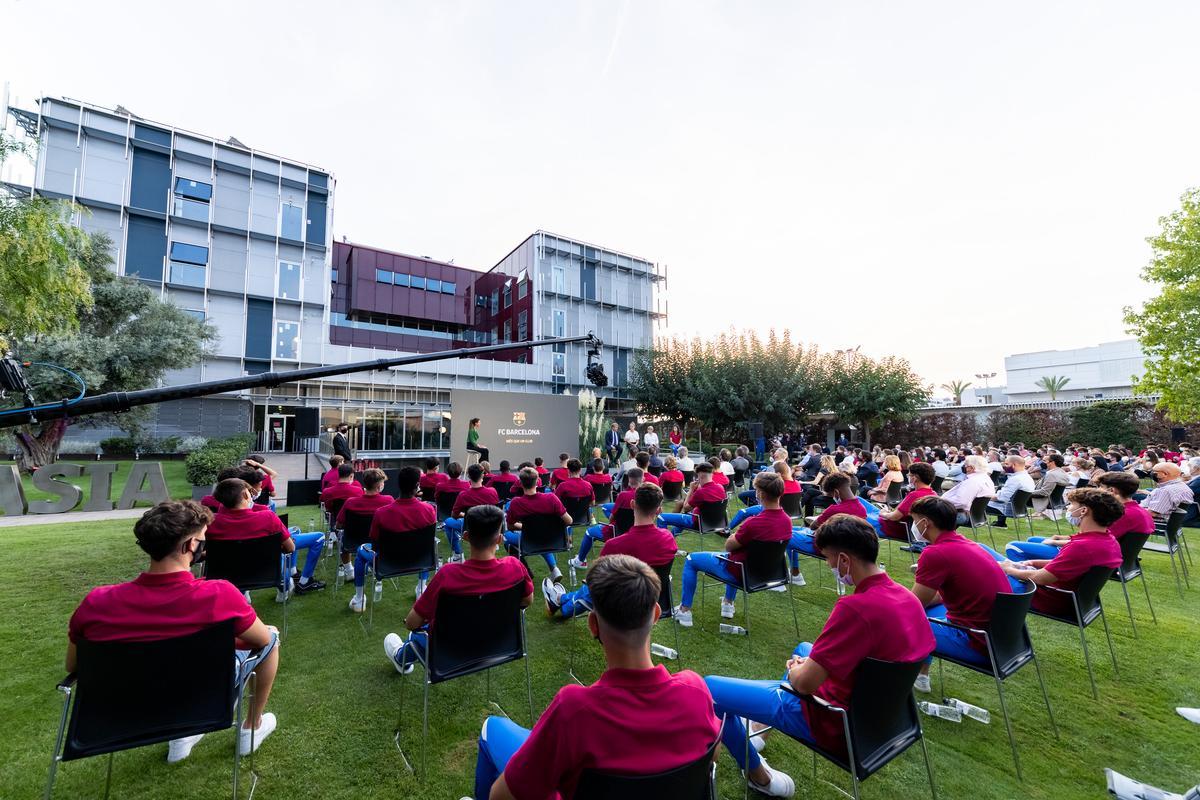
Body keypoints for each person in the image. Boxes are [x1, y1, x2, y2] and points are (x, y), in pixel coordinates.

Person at [704, 514, 935, 797]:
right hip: (889, 717)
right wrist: (806, 665)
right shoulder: (907, 597)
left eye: (828, 559)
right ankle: (762, 728)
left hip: (834, 720)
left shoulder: (856, 608)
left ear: (844, 560)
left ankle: (758, 775)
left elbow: (804, 685)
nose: (829, 566)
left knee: (710, 688)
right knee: (804, 648)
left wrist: (796, 671)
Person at [471, 554, 720, 800]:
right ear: (655, 614)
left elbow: (503, 795)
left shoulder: (574, 711)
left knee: (491, 729)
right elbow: (712, 753)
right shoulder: (695, 690)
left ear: (593, 625)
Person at [66, 501, 281, 762]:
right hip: (197, 703)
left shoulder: (97, 602)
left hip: (119, 715)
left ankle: (183, 737)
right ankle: (252, 727)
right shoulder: (219, 595)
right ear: (191, 545)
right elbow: (262, 640)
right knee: (272, 635)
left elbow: (73, 666)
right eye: (203, 538)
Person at [384, 504, 532, 674]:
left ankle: (399, 657)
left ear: (466, 537)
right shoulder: (515, 567)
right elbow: (527, 600)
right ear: (499, 539)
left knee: (416, 637)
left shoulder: (448, 575)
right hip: (498, 645)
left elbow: (411, 623)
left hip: (450, 652)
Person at [907, 496, 1015, 691]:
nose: (913, 526)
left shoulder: (936, 553)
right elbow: (936, 597)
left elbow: (912, 605)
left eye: (914, 521)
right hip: (1002, 641)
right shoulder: (969, 545)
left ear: (925, 523)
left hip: (977, 642)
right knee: (924, 612)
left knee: (900, 622)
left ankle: (884, 683)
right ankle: (921, 675)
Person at [673, 472, 793, 627]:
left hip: (743, 572)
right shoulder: (787, 521)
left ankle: (684, 610)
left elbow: (729, 545)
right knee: (737, 555)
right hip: (768, 574)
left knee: (692, 559)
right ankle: (728, 603)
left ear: (761, 494)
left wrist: (739, 533)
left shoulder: (753, 523)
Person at [545, 483, 677, 618]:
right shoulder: (669, 538)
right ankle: (560, 599)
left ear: (632, 504)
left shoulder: (615, 545)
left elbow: (595, 582)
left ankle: (561, 601)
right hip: (655, 602)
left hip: (620, 606)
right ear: (659, 510)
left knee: (595, 586)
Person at [996, 487, 1123, 616]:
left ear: (1083, 511)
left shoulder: (1082, 547)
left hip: (1040, 597)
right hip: (1068, 600)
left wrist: (1009, 570)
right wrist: (1033, 563)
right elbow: (1071, 565)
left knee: (982, 562)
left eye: (1071, 504)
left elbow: (1040, 578)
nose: (1068, 508)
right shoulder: (1110, 541)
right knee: (984, 554)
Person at [208, 477, 326, 598]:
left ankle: (243, 594)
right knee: (284, 552)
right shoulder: (267, 517)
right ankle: (289, 586)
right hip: (265, 572)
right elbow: (290, 548)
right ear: (244, 494)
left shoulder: (210, 522)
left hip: (227, 574)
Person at [349, 466, 438, 613]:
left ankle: (359, 599)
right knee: (425, 547)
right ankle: (421, 589)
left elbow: (375, 542)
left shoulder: (382, 513)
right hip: (420, 560)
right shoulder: (429, 510)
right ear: (417, 486)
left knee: (361, 551)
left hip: (388, 562)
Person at [786, 472, 867, 581]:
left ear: (836, 492)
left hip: (825, 546)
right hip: (847, 548)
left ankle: (794, 575)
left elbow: (813, 526)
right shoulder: (862, 508)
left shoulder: (834, 510)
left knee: (785, 534)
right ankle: (795, 574)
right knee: (793, 530)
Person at [505, 467, 573, 580]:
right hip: (554, 540)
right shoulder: (551, 498)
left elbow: (510, 526)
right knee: (541, 537)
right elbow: (569, 521)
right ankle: (554, 568)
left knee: (507, 538)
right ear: (537, 481)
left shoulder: (516, 503)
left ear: (520, 483)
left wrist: (525, 527)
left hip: (530, 541)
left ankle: (525, 574)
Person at [570, 468, 643, 568]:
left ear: (629, 480)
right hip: (639, 532)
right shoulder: (645, 495)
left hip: (618, 532)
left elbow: (612, 517)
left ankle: (580, 561)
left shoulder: (623, 495)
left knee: (589, 532)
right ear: (642, 479)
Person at [444, 463, 500, 559]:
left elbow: (454, 515)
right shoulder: (492, 492)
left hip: (471, 529)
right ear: (482, 475)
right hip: (489, 527)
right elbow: (495, 511)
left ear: (469, 476)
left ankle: (458, 553)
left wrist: (465, 514)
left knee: (448, 522)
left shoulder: (464, 495)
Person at [657, 463, 727, 534]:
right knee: (682, 519)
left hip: (698, 523)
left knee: (661, 517)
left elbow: (685, 508)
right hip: (714, 523)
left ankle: (664, 542)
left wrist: (691, 489)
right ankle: (670, 538)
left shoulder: (701, 492)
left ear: (700, 477)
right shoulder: (720, 487)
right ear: (711, 475)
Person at [878, 462, 937, 542]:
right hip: (919, 532)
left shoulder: (915, 495)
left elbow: (894, 517)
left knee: (860, 514)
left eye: (909, 475)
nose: (908, 477)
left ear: (914, 478)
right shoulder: (934, 494)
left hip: (895, 528)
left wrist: (883, 513)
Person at [942, 455, 995, 526]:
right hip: (976, 516)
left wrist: (940, 503)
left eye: (965, 464)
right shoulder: (986, 479)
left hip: (960, 514)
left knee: (926, 512)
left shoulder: (973, 481)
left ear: (971, 468)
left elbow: (961, 502)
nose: (963, 466)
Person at [987, 455, 1036, 527]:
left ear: (1014, 465)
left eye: (1007, 464)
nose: (1004, 466)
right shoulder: (1028, 478)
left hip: (1007, 509)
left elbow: (1002, 498)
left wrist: (987, 497)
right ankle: (1000, 523)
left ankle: (970, 522)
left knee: (975, 503)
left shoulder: (1015, 479)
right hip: (1020, 509)